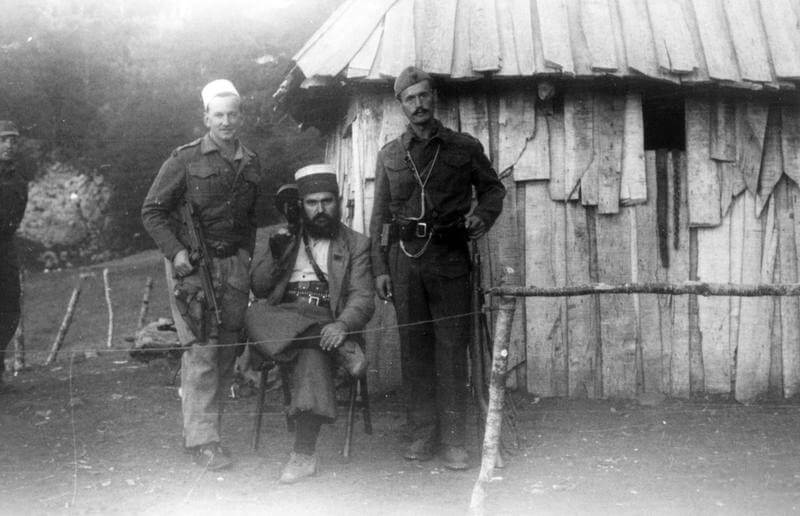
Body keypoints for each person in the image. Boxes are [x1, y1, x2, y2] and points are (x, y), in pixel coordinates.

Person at [368, 67, 505, 470]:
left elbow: (493, 188)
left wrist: (483, 215)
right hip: (406, 261)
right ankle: (421, 434)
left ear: (435, 98)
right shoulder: (391, 154)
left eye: (424, 95)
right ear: (401, 105)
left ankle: (454, 441)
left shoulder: (464, 147)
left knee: (451, 350)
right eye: (410, 99)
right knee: (414, 351)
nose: (419, 104)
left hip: (449, 259)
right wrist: (380, 268)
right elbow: (378, 220)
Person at [141, 79, 263, 470]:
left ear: (240, 116)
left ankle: (207, 432)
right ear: (206, 117)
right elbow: (152, 211)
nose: (226, 122)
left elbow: (249, 219)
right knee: (202, 351)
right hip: (193, 269)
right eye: (219, 115)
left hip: (233, 268)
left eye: (233, 114)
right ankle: (203, 440)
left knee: (227, 350)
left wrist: (245, 257)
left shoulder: (251, 162)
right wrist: (176, 253)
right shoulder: (184, 160)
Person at [247, 164, 374, 484]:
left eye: (327, 201)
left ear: (338, 200)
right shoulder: (285, 236)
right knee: (252, 314)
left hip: (327, 319)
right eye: (311, 202)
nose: (320, 210)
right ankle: (331, 345)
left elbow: (362, 297)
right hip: (282, 318)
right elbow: (259, 289)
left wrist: (342, 327)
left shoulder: (356, 244)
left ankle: (303, 454)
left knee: (312, 355)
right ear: (301, 206)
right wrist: (276, 254)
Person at [0, 121, 26, 393]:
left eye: (12, 141)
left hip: (4, 249)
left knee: (9, 309)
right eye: (3, 140)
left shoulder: (17, 180)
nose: (8, 145)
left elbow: (13, 218)